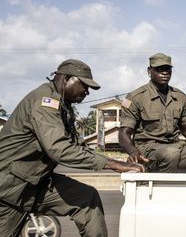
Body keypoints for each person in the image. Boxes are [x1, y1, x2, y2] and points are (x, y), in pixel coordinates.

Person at [0, 59, 145, 237]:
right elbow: (59, 148)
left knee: (86, 198)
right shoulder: (44, 101)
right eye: (84, 85)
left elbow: (76, 146)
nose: (87, 92)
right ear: (66, 78)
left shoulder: (63, 106)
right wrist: (111, 164)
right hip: (10, 187)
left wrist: (121, 161)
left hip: (37, 182)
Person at [119, 53, 186, 173]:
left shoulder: (179, 97)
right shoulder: (136, 98)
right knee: (171, 154)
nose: (164, 72)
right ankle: (163, 189)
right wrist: (133, 151)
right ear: (149, 71)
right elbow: (124, 133)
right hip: (148, 149)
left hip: (176, 146)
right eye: (159, 69)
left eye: (167, 69)